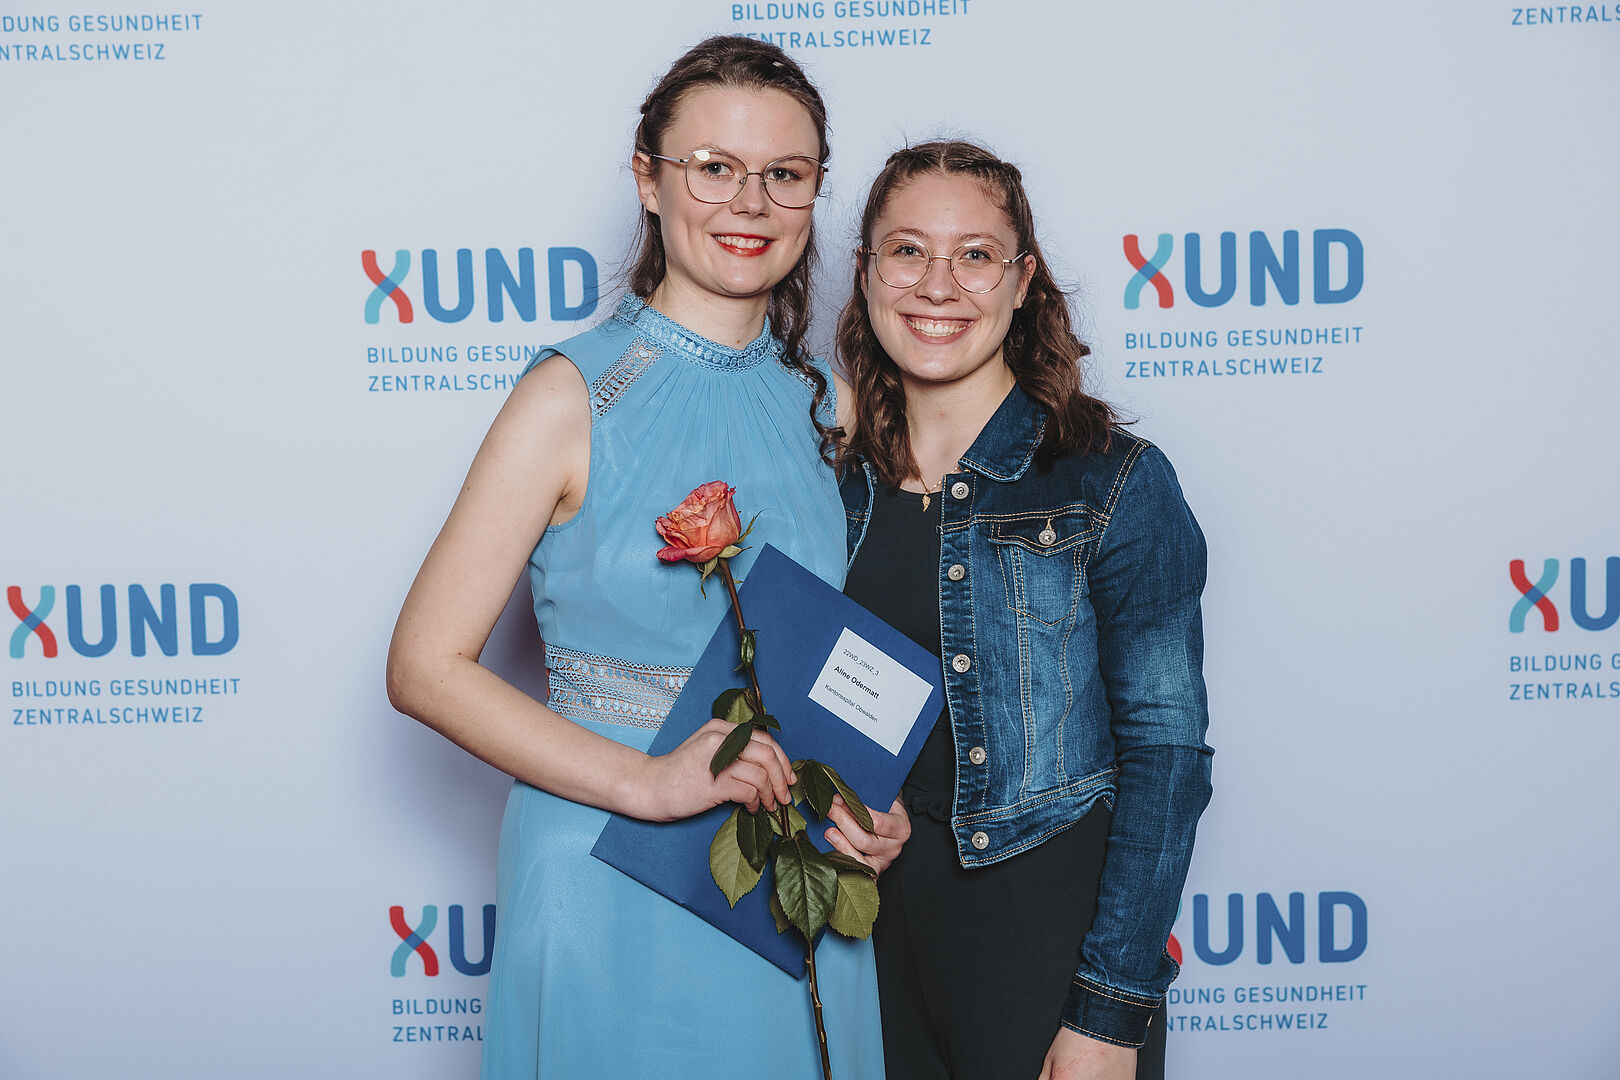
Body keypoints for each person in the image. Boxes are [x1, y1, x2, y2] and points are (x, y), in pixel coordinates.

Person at [386, 36, 891, 1079]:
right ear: (648, 181)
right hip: (605, 873)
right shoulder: (569, 396)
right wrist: (647, 783)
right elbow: (423, 666)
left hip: (786, 878)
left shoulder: (831, 407)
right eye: (714, 167)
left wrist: (872, 814)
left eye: (784, 174)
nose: (749, 202)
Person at [833, 141, 1213, 1080]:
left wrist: (1110, 1013)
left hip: (1043, 935)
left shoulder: (1110, 482)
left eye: (975, 255)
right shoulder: (829, 483)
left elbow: (1166, 758)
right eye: (908, 251)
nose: (938, 285)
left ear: (1022, 280)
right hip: (862, 936)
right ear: (868, 270)